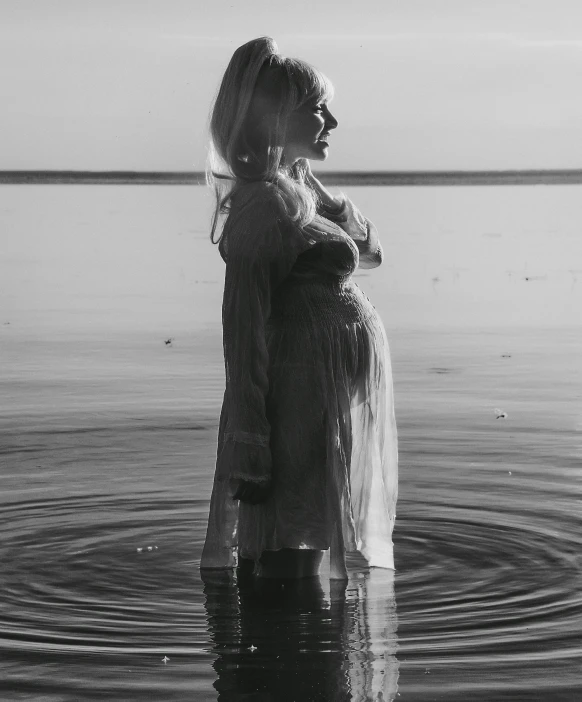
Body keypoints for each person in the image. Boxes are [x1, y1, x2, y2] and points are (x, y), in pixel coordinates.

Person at [200, 36, 398, 580]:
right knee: (295, 554)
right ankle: (284, 653)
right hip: (293, 412)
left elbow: (372, 254)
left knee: (308, 549)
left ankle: (293, 652)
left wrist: (310, 185)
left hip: (319, 408)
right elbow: (241, 334)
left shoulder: (289, 197)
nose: (331, 120)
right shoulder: (263, 208)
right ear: (275, 118)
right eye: (317, 108)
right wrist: (250, 444)